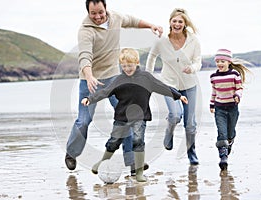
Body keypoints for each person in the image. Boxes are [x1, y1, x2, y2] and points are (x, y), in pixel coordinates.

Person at [65, 0, 163, 172]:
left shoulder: (115, 18)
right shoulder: (85, 31)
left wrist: (151, 26)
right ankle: (71, 153)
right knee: (84, 120)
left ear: (105, 8)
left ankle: (132, 162)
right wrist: (89, 77)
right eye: (93, 13)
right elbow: (85, 57)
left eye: (100, 12)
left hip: (113, 77)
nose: (97, 16)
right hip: (91, 79)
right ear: (88, 12)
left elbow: (132, 21)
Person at [81, 48, 188, 182]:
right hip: (122, 117)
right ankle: (102, 162)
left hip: (140, 116)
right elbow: (105, 92)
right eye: (124, 66)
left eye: (130, 65)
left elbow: (162, 87)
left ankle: (138, 172)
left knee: (138, 141)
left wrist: (178, 96)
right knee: (114, 142)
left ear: (137, 62)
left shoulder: (146, 77)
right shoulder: (119, 80)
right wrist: (90, 99)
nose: (127, 68)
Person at [145, 8, 202, 165]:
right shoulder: (162, 41)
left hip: (189, 85)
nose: (177, 24)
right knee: (175, 115)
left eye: (180, 21)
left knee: (190, 124)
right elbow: (151, 58)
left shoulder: (193, 40)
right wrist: (148, 76)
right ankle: (169, 132)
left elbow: (198, 60)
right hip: (169, 84)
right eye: (174, 21)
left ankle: (192, 153)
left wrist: (192, 68)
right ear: (170, 22)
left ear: (185, 24)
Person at [210, 49, 251, 170]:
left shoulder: (234, 75)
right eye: (217, 61)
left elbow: (239, 88)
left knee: (230, 132)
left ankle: (230, 142)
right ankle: (223, 157)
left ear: (228, 62)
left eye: (222, 61)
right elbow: (214, 92)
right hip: (219, 108)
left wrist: (238, 96)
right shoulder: (213, 77)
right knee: (222, 132)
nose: (219, 63)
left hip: (233, 108)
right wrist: (212, 105)